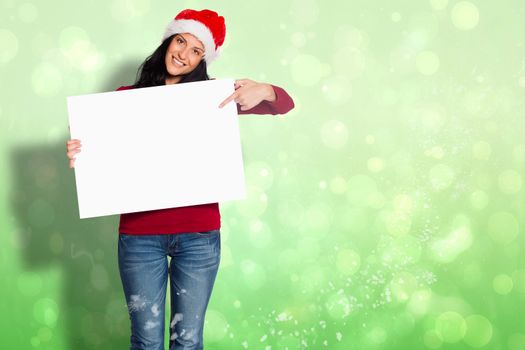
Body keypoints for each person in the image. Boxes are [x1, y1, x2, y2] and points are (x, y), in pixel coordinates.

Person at [66, 8, 294, 350]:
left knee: (187, 341)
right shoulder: (124, 97)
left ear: (203, 60)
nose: (184, 55)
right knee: (146, 341)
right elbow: (101, 157)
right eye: (181, 42)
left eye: (196, 51)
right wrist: (80, 154)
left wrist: (263, 89)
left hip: (198, 236)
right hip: (140, 237)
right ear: (168, 41)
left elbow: (283, 105)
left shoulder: (213, 97)